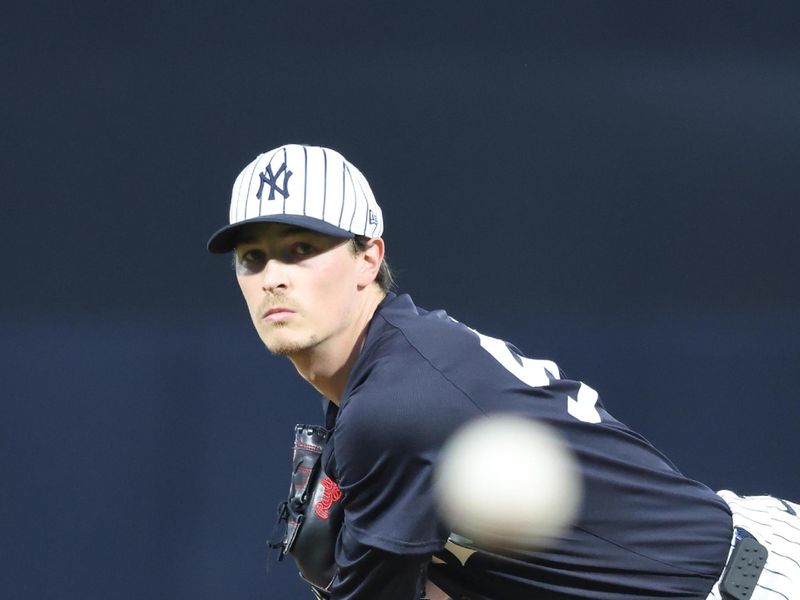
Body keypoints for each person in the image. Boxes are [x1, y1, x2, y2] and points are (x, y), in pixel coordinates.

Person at [208, 144, 800, 600]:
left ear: (369, 258)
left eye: (301, 248)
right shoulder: (384, 371)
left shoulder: (392, 406)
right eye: (252, 258)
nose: (274, 276)